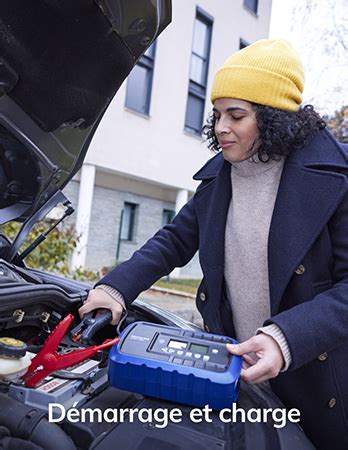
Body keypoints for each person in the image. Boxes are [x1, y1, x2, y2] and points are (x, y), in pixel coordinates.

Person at [79, 39, 348, 449]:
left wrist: (285, 338)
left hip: (313, 377)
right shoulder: (221, 177)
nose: (220, 127)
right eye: (217, 114)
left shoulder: (337, 179)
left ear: (274, 118)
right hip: (234, 373)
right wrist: (115, 288)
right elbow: (173, 240)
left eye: (236, 115)